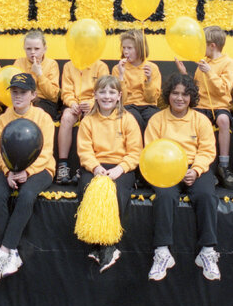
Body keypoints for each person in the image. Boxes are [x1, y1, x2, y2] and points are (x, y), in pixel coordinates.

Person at [145, 73, 220, 282]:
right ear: (168, 95)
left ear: (192, 98)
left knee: (206, 195)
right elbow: (150, 151)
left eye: (185, 94)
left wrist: (195, 170)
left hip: (194, 168)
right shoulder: (157, 120)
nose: (180, 98)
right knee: (165, 196)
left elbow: (207, 151)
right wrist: (171, 171)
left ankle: (207, 252)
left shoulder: (201, 120)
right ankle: (162, 252)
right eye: (176, 93)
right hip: (164, 168)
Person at [0, 73, 55, 285]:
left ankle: (3, 250)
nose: (18, 96)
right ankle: (13, 252)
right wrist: (7, 171)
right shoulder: (3, 118)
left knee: (26, 195)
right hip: (11, 167)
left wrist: (28, 172)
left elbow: (46, 151)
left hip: (39, 169)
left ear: (33, 94)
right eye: (14, 92)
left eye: (23, 92)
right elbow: (0, 149)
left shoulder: (43, 117)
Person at [76, 75, 143, 272]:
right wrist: (96, 168)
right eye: (102, 92)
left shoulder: (128, 119)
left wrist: (119, 169)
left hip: (121, 166)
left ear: (119, 95)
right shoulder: (88, 121)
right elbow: (84, 151)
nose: (107, 96)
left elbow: (135, 152)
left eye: (112, 92)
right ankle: (94, 242)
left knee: (117, 194)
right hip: (96, 165)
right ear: (95, 95)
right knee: (89, 190)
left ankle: (110, 244)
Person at [174, 25, 233, 189]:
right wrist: (184, 74)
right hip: (201, 105)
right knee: (194, 121)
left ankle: (224, 166)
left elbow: (224, 89)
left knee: (224, 120)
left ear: (212, 45)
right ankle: (201, 166)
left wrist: (210, 72)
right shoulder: (203, 63)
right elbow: (196, 88)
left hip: (219, 105)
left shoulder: (228, 63)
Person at [55, 57, 109, 185]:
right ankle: (63, 164)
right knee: (67, 117)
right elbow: (66, 92)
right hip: (73, 105)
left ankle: (83, 166)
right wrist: (72, 103)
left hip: (94, 104)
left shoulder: (101, 66)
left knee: (89, 118)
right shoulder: (69, 66)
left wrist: (91, 103)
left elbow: (104, 90)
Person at [115, 29, 161, 131]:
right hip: (128, 105)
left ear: (140, 48)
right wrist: (121, 77)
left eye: (130, 48)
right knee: (134, 119)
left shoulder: (152, 68)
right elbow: (122, 100)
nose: (125, 51)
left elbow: (152, 99)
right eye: (124, 48)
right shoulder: (118, 68)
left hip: (148, 106)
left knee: (154, 118)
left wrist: (149, 80)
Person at [14, 30, 61, 119]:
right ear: (24, 48)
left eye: (37, 49)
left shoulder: (52, 64)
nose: (32, 52)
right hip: (23, 100)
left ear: (44, 49)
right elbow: (16, 88)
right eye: (28, 49)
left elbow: (53, 95)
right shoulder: (19, 63)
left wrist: (39, 74)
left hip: (45, 102)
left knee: (36, 111)